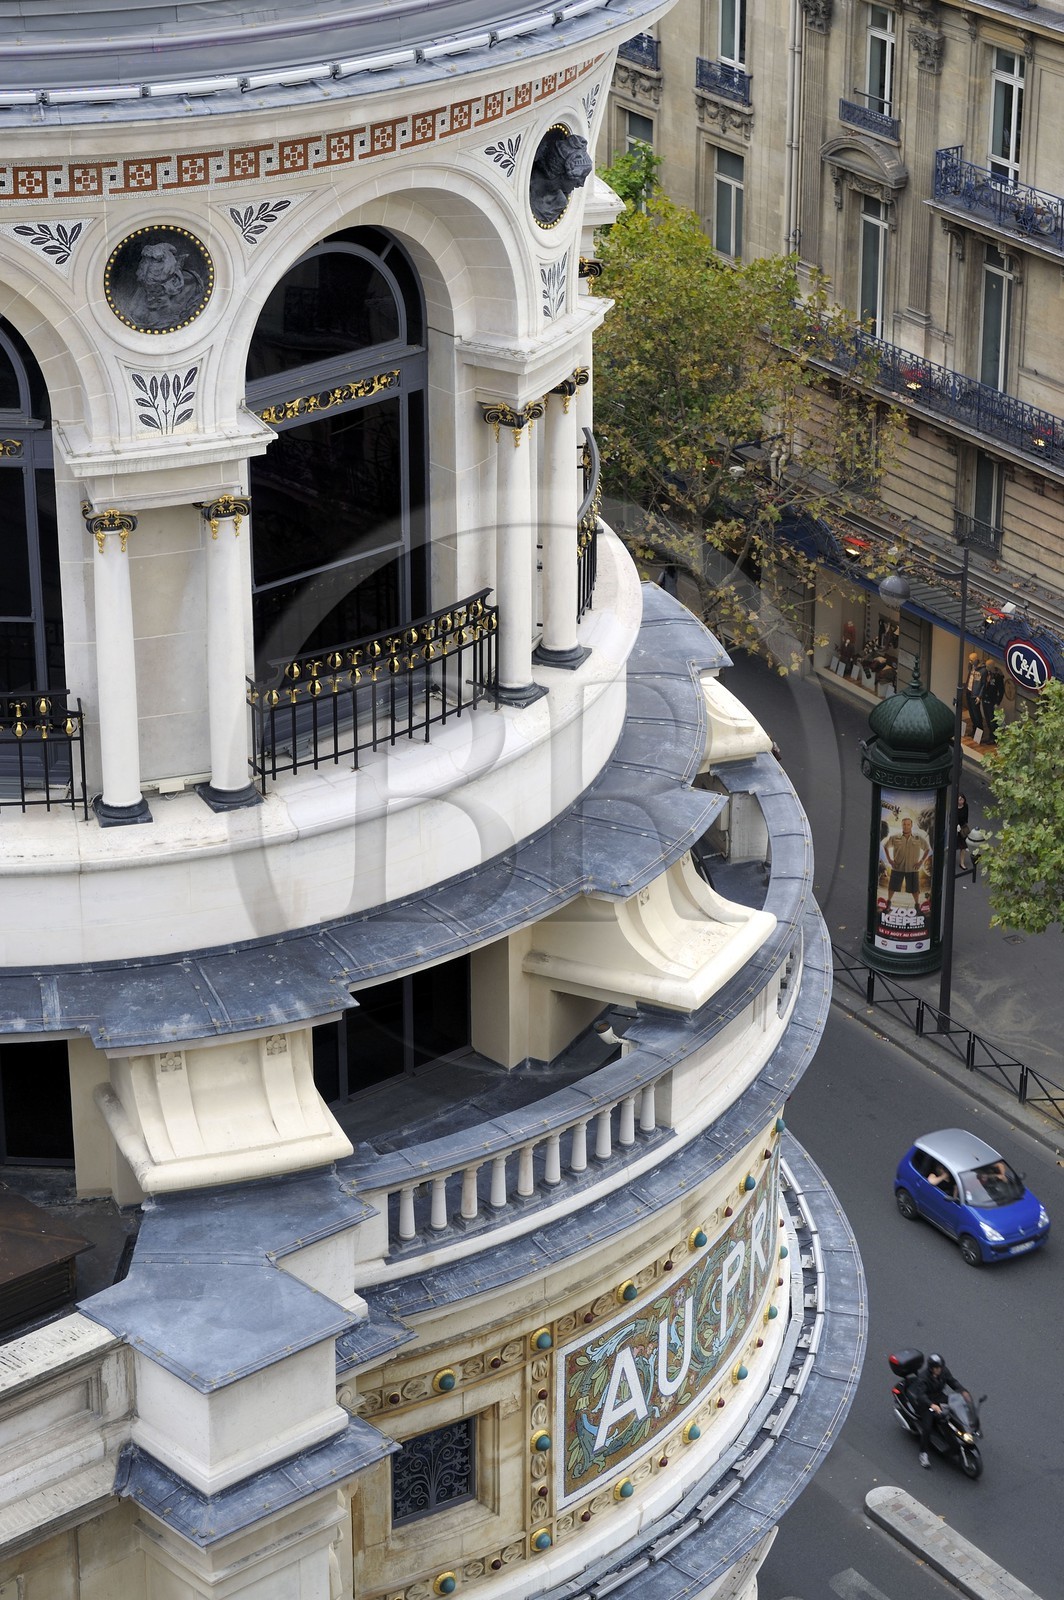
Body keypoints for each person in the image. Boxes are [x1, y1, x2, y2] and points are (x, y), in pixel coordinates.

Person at [911, 1353, 971, 1468]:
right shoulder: (923, 1378)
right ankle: (923, 1453)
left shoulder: (943, 1371)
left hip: (939, 1397)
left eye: (940, 1367)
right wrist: (932, 1405)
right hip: (926, 1403)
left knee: (956, 1409)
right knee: (927, 1428)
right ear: (931, 1368)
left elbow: (952, 1381)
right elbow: (921, 1395)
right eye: (937, 1368)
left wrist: (962, 1391)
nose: (939, 1370)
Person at [883, 816, 930, 912]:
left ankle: (917, 905)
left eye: (908, 824)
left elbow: (927, 849)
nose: (906, 826)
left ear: (911, 825)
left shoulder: (918, 838)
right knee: (892, 887)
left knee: (915, 889)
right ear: (901, 825)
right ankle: (888, 903)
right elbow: (885, 846)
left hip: (912, 868)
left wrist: (921, 861)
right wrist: (890, 860)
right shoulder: (895, 837)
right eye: (904, 824)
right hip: (897, 867)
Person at [956, 792, 971, 870]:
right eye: (959, 800)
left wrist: (964, 824)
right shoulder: (954, 808)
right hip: (956, 829)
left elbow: (966, 817)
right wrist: (956, 825)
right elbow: (951, 818)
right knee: (958, 845)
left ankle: (962, 863)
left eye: (962, 799)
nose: (961, 801)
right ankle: (961, 863)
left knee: (963, 847)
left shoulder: (966, 806)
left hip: (962, 828)